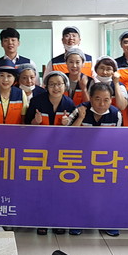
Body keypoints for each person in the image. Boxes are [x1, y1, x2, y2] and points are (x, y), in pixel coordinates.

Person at [66, 82, 122, 237]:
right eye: (97, 99)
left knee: (106, 193)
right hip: (80, 160)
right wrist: (81, 118)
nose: (101, 104)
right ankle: (78, 222)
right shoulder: (79, 110)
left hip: (105, 161)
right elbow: (67, 135)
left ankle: (107, 222)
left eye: (106, 100)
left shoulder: (116, 114)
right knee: (80, 193)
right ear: (90, 98)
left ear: (111, 100)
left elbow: (118, 139)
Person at [25, 70, 76, 236]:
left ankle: (58, 220)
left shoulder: (69, 103)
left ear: (65, 86)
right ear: (46, 86)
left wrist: (67, 124)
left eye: (59, 84)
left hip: (61, 153)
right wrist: (36, 121)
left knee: (60, 188)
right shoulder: (37, 101)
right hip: (40, 151)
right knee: (41, 187)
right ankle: (42, 220)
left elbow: (75, 133)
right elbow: (25, 126)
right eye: (52, 84)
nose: (56, 88)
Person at [0, 60, 27, 124]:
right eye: (1, 75)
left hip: (14, 129)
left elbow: (23, 119)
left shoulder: (21, 93)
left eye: (9, 76)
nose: (5, 80)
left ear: (14, 78)